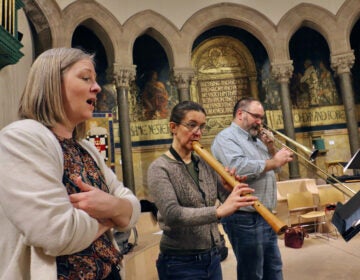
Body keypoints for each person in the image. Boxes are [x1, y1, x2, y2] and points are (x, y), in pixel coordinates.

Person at [0, 48, 141, 280]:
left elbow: (132, 206)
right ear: (52, 83)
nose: (97, 87)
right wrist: (114, 213)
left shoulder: (87, 148)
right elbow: (56, 233)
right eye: (86, 78)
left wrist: (113, 207)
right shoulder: (20, 138)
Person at [147, 100, 258, 280]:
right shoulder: (159, 168)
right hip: (179, 262)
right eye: (191, 125)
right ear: (173, 127)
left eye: (201, 127)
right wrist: (218, 211)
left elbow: (224, 199)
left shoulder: (204, 162)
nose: (198, 133)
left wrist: (230, 189)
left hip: (212, 257)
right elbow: (172, 214)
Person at [211, 97, 293, 280]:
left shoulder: (256, 140)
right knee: (252, 273)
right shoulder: (226, 138)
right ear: (241, 114)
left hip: (266, 213)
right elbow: (239, 167)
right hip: (244, 217)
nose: (260, 122)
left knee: (273, 268)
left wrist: (271, 147)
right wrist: (273, 161)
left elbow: (276, 168)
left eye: (261, 117)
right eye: (256, 116)